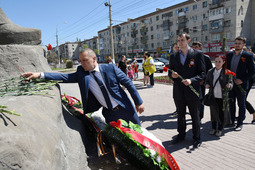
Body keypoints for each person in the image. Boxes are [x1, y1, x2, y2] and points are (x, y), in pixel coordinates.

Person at [21, 48, 145, 126]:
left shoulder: (110, 68)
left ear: (94, 59)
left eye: (85, 60)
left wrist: (138, 102)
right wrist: (40, 75)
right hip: (109, 114)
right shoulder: (82, 73)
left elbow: (128, 83)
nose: (82, 63)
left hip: (126, 109)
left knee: (140, 137)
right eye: (80, 61)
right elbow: (64, 77)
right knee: (122, 143)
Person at [169, 33, 206, 148]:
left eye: (182, 40)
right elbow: (170, 72)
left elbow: (203, 73)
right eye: (178, 40)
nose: (180, 43)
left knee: (195, 116)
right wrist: (172, 75)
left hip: (192, 90)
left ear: (188, 41)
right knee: (180, 115)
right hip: (178, 91)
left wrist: (192, 80)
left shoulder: (198, 54)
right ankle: (181, 135)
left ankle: (197, 138)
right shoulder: (174, 56)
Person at [226, 36, 254, 131]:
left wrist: (242, 80)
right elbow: (226, 68)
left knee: (241, 104)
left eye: (240, 43)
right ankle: (232, 121)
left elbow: (252, 71)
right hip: (231, 84)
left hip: (241, 84)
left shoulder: (248, 56)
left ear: (243, 44)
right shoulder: (229, 55)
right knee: (231, 103)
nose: (237, 45)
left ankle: (240, 123)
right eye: (236, 43)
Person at [205, 55, 233, 137]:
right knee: (213, 112)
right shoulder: (210, 71)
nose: (217, 63)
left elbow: (231, 82)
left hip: (222, 97)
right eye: (216, 61)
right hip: (213, 95)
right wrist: (206, 84)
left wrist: (229, 85)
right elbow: (206, 81)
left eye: (219, 62)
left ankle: (220, 129)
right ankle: (213, 128)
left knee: (222, 113)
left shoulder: (227, 72)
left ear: (223, 62)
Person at [192, 41, 213, 121]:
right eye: (193, 47)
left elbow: (209, 71)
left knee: (201, 100)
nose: (194, 49)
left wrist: (204, 80)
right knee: (193, 100)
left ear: (200, 47)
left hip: (202, 82)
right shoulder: (191, 57)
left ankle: (200, 117)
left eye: (196, 47)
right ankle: (194, 115)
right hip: (193, 82)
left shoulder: (206, 58)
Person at [169, 42, 179, 116]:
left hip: (186, 80)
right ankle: (178, 109)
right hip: (176, 80)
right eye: (175, 47)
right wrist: (171, 77)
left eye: (178, 47)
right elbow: (170, 68)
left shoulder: (186, 55)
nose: (177, 48)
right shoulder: (172, 56)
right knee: (176, 96)